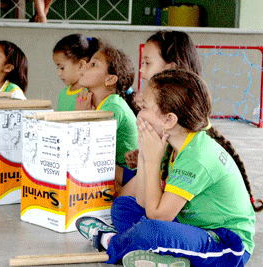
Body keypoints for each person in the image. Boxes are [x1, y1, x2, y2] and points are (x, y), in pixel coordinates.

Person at [75, 69, 262, 267]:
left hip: (226, 243)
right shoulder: (171, 142)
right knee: (124, 207)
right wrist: (147, 156)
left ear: (169, 120)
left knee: (151, 230)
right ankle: (166, 258)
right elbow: (142, 202)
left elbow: (158, 216)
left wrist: (153, 160)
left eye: (144, 107)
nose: (139, 114)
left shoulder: (197, 156)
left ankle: (109, 241)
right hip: (191, 228)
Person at [124, 30, 202, 182]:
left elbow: (153, 202)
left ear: (170, 68)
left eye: (147, 63)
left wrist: (147, 160)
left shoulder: (178, 115)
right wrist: (142, 155)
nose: (141, 69)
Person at [75, 41, 138, 191]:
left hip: (131, 174)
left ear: (110, 79)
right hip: (116, 171)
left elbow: (86, 147)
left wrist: (80, 115)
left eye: (93, 65)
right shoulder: (95, 102)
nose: (85, 67)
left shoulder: (113, 106)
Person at [53, 34, 100, 111]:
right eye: (57, 68)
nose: (59, 73)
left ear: (81, 65)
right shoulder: (63, 93)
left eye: (62, 68)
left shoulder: (87, 95)